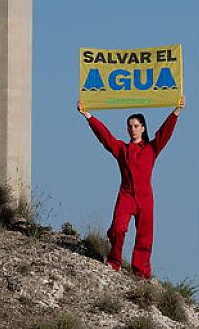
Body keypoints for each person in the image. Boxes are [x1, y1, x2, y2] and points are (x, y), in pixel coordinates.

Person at [77, 96, 184, 279]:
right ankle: (114, 261)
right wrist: (88, 116)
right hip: (126, 195)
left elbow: (164, 133)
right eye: (129, 126)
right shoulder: (122, 149)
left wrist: (176, 111)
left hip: (145, 198)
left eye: (135, 126)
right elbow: (105, 136)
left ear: (143, 128)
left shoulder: (151, 149)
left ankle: (141, 272)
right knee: (118, 228)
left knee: (145, 237)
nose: (132, 129)